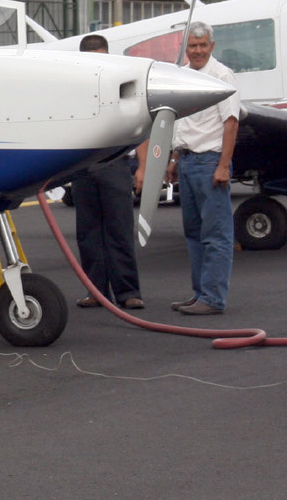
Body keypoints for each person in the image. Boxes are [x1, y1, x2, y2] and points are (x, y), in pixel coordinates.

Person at [135, 22, 240, 315]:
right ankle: (200, 293)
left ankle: (214, 298)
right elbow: (181, 124)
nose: (197, 51)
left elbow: (231, 122)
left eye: (203, 45)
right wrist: (172, 161)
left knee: (216, 234)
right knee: (193, 232)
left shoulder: (221, 76)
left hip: (209, 162)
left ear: (212, 46)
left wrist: (223, 166)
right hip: (188, 161)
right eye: (193, 46)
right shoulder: (183, 75)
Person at [71, 33, 142, 310]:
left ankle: (128, 291)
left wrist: (144, 168)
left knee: (119, 229)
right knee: (87, 232)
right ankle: (96, 291)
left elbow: (140, 125)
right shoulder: (74, 90)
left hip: (115, 161)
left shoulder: (122, 85)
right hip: (83, 165)